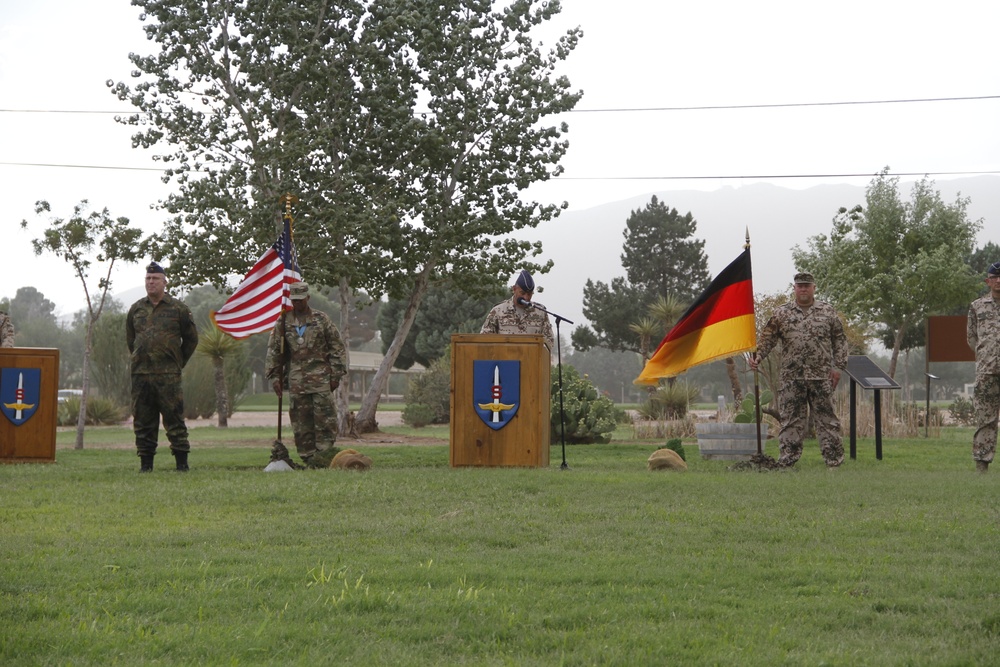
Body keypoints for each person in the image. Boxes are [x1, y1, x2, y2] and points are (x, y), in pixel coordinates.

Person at [749, 271, 848, 468]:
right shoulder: (782, 313)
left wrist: (838, 367)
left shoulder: (827, 312)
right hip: (792, 377)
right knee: (791, 420)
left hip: (821, 376)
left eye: (807, 285)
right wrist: (758, 356)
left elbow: (839, 339)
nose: (803, 289)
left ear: (814, 288)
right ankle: (787, 461)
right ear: (794, 288)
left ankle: (833, 460)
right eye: (799, 285)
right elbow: (768, 338)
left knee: (826, 420)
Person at [126, 262, 199, 472]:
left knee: (174, 419)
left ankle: (182, 464)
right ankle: (146, 464)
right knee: (143, 421)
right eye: (148, 279)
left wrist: (177, 363)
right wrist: (141, 359)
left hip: (169, 376)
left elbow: (191, 340)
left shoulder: (178, 309)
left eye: (155, 279)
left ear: (165, 282)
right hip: (141, 376)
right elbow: (131, 340)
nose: (151, 282)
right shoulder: (136, 309)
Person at [265, 282, 347, 469]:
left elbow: (337, 347)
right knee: (301, 422)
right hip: (297, 380)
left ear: (307, 298)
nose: (297, 304)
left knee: (324, 419)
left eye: (301, 300)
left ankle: (324, 457)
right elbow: (274, 350)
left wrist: (336, 374)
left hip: (320, 379)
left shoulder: (321, 319)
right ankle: (309, 459)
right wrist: (274, 377)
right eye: (294, 301)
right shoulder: (284, 321)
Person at [967, 261, 1000, 473]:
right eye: (995, 278)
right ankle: (982, 466)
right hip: (987, 372)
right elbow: (971, 337)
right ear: (988, 281)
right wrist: (986, 356)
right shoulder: (977, 306)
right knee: (985, 419)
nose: (999, 281)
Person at [480, 269, 555, 349]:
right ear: (514, 289)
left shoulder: (540, 312)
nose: (526, 297)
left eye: (529, 294)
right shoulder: (498, 311)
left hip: (531, 358)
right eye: (522, 293)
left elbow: (549, 340)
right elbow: (485, 338)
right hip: (505, 358)